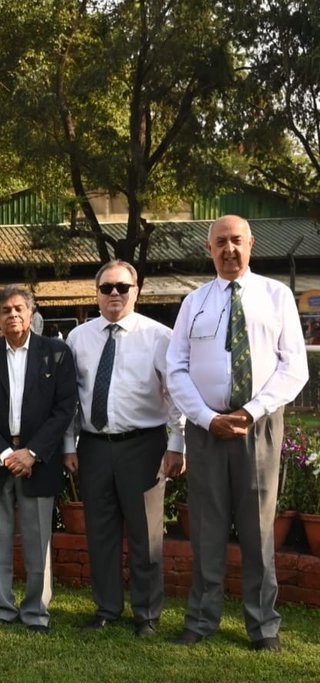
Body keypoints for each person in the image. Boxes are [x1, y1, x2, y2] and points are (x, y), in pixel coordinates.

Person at [166, 215, 308, 652]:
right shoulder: (194, 302)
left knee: (258, 529)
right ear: (209, 249)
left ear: (251, 245)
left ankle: (262, 627)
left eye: (236, 241)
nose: (229, 250)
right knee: (206, 529)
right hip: (207, 430)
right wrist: (206, 418)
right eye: (220, 243)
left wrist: (249, 411)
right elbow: (176, 368)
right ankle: (201, 621)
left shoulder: (276, 295)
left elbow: (294, 367)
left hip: (258, 428)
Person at [63, 261, 185, 638]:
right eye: (106, 288)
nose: (114, 293)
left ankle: (147, 614)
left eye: (122, 287)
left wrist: (178, 444)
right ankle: (106, 609)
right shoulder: (78, 338)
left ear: (136, 290)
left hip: (143, 445)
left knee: (146, 535)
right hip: (95, 447)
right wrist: (69, 445)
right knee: (100, 532)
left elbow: (177, 395)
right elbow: (69, 400)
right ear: (96, 293)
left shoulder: (159, 336)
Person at [0, 285, 77, 633]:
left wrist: (32, 452)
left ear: (31, 314)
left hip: (38, 459)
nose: (12, 315)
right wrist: (3, 453)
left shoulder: (56, 353)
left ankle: (35, 611)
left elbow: (64, 409)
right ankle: (1, 606)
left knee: (37, 538)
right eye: (5, 310)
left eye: (19, 309)